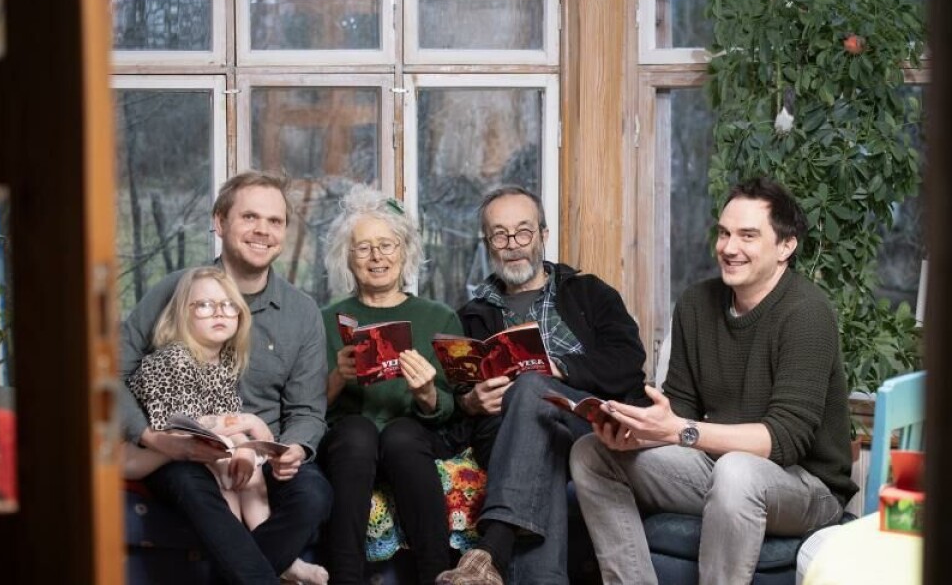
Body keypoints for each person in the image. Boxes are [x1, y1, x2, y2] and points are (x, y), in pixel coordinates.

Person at [569, 177, 858, 585]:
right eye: (724, 233)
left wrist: (680, 431)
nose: (728, 247)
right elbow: (681, 409)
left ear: (785, 247)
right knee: (590, 453)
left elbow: (784, 440)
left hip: (808, 486)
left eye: (747, 235)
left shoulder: (807, 314)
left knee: (738, 472)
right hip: (720, 469)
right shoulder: (696, 303)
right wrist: (638, 433)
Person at [119, 171, 332, 585]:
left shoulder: (301, 312)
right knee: (192, 486)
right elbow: (111, 374)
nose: (262, 231)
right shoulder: (176, 291)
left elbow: (308, 410)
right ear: (219, 223)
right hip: (183, 451)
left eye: (275, 221)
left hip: (260, 453)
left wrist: (294, 449)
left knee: (314, 494)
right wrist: (151, 437)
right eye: (249, 217)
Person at [435, 186, 648, 585]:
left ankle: (490, 550)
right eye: (499, 235)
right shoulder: (469, 316)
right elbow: (454, 410)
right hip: (506, 435)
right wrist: (470, 402)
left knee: (534, 386)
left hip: (590, 426)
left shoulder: (589, 293)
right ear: (487, 244)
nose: (512, 244)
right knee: (537, 437)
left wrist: (559, 367)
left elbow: (628, 362)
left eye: (523, 231)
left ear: (544, 235)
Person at [319, 185, 464, 585]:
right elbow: (306, 408)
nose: (377, 257)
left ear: (406, 251)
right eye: (363, 248)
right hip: (349, 439)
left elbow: (456, 406)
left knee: (400, 434)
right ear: (347, 257)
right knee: (357, 431)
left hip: (414, 437)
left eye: (387, 245)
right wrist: (337, 377)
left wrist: (427, 394)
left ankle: (436, 575)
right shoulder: (326, 318)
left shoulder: (440, 318)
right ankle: (344, 578)